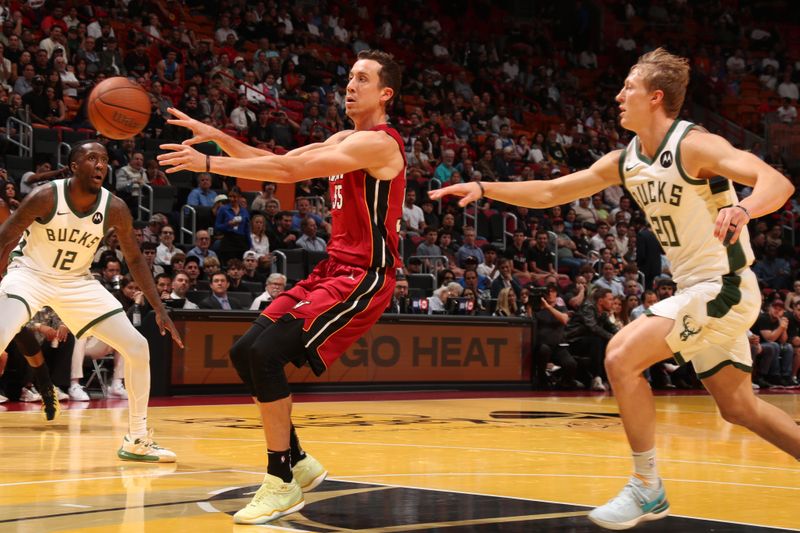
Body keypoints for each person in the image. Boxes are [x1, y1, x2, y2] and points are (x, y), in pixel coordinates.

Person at [430, 47, 798, 530]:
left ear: (656, 97)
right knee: (739, 407)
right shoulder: (627, 160)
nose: (619, 95)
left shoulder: (694, 146)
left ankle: (647, 488)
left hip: (724, 285)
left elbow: (776, 180)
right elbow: (551, 191)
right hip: (697, 289)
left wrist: (746, 208)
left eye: (629, 87)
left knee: (621, 356)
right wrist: (483, 188)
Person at [158, 49, 406, 525]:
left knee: (267, 354)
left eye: (362, 79)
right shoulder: (343, 139)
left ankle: (281, 481)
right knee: (245, 352)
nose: (350, 85)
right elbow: (275, 161)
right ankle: (297, 460)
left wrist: (207, 164)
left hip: (365, 277)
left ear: (385, 93)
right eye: (348, 77)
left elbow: (287, 175)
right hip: (333, 269)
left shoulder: (380, 144)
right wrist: (219, 139)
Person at [0, 140, 183, 462]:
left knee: (138, 347)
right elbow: (6, 237)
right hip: (30, 274)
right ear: (73, 167)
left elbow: (136, 260)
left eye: (104, 160)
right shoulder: (46, 196)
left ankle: (137, 440)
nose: (101, 165)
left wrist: (158, 307)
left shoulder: (115, 207)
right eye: (92, 158)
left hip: (76, 282)